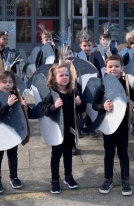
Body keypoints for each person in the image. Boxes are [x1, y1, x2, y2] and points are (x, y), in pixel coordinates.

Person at [93, 55, 134, 196]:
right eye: (110, 66)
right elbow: (94, 105)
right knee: (109, 153)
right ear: (105, 69)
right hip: (108, 126)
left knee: (123, 153)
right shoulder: (102, 85)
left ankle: (125, 179)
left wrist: (132, 104)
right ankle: (108, 178)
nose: (113, 69)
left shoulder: (127, 84)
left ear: (122, 68)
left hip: (122, 126)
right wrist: (103, 106)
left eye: (116, 66)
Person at [41, 64, 86, 194]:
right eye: (61, 75)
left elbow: (82, 110)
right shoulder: (51, 93)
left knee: (68, 154)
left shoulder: (73, 92)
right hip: (56, 130)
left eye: (67, 75)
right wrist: (54, 106)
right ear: (54, 78)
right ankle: (55, 180)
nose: (65, 77)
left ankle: (68, 176)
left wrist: (79, 103)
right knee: (56, 155)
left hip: (70, 129)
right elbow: (45, 110)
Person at [0, 71, 28, 193]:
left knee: (12, 155)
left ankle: (14, 177)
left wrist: (24, 107)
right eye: (4, 82)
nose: (8, 85)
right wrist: (7, 104)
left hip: (12, 131)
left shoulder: (15, 95)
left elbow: (21, 114)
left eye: (10, 82)